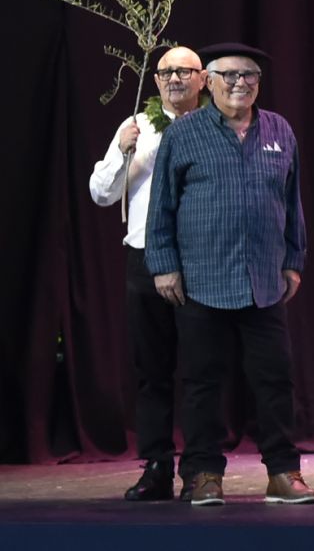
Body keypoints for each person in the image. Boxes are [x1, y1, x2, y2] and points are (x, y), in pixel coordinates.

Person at [145, 42, 314, 507]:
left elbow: (292, 201)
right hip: (202, 279)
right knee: (202, 382)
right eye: (231, 76)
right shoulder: (184, 133)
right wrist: (163, 265)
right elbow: (161, 206)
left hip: (263, 279)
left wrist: (293, 260)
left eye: (250, 76)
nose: (241, 84)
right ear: (210, 81)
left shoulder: (278, 129)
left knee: (276, 380)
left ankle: (283, 473)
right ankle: (202, 474)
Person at [88, 44, 205, 501]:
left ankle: (199, 469)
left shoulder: (214, 125)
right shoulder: (137, 127)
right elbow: (101, 194)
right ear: (156, 81)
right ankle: (156, 466)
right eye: (166, 72)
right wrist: (122, 151)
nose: (175, 79)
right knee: (151, 371)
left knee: (199, 370)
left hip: (199, 260)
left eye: (184, 71)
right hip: (144, 258)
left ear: (202, 80)